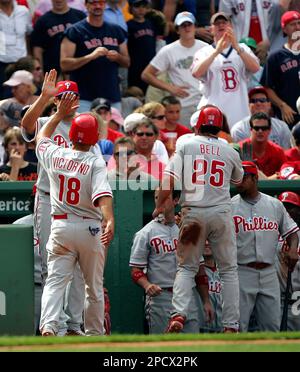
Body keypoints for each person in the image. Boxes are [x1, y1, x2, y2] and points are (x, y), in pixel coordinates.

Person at [21, 70, 100, 335]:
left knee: (78, 269)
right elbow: (26, 127)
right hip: (48, 198)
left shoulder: (86, 125)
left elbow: (98, 170)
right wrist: (43, 98)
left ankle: (74, 324)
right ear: (56, 100)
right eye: (62, 96)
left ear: (78, 99)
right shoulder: (47, 119)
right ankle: (53, 325)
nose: (67, 101)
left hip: (79, 206)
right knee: (49, 267)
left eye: (71, 96)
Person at [153, 105, 244, 333]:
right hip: (221, 212)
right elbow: (238, 180)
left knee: (186, 268)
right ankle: (231, 325)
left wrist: (158, 206)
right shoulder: (230, 150)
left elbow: (168, 181)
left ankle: (178, 315)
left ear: (198, 124)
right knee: (229, 270)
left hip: (193, 211)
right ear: (219, 126)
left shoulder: (186, 143)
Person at [36, 94, 114, 337]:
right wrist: (109, 218)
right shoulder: (95, 162)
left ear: (71, 135)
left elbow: (41, 137)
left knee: (55, 281)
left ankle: (48, 326)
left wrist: (58, 114)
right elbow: (103, 196)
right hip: (89, 227)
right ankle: (93, 333)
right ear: (96, 139)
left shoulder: (56, 154)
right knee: (93, 286)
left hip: (60, 226)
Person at [130, 188, 213, 333]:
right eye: (157, 198)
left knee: (193, 346)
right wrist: (147, 285)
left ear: (176, 200)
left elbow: (200, 271)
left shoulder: (186, 232)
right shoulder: (145, 233)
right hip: (161, 297)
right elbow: (136, 271)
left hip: (188, 296)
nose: (159, 201)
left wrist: (206, 300)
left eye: (164, 197)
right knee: (162, 347)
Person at [231, 161, 299, 332]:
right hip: (242, 271)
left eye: (243, 177)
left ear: (255, 178)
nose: (238, 181)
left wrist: (292, 249)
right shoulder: (229, 207)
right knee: (238, 326)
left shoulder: (274, 205)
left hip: (269, 273)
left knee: (272, 327)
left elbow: (291, 232)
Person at [191, 12, 260, 128]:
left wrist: (237, 47)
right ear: (211, 29)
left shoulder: (243, 48)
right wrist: (216, 52)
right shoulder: (204, 52)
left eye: (224, 22)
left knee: (241, 145)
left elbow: (255, 68)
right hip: (214, 110)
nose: (221, 25)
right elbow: (196, 73)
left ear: (231, 26)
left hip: (239, 110)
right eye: (217, 23)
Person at [60, 0, 130, 113]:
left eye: (101, 3)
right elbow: (64, 65)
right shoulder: (75, 31)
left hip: (111, 96)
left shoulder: (116, 30)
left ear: (105, 5)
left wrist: (118, 57)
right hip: (83, 97)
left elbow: (127, 62)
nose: (97, 6)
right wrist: (91, 56)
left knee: (113, 130)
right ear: (86, 5)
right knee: (84, 129)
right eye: (93, 3)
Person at [142, 11, 208, 126]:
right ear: (177, 30)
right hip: (182, 107)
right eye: (183, 25)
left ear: (195, 27)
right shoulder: (168, 50)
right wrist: (170, 88)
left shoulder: (205, 48)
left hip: (204, 103)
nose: (187, 28)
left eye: (189, 24)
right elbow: (146, 74)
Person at [260, 10, 300, 127]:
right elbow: (267, 87)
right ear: (284, 29)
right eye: (292, 24)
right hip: (289, 116)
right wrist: (282, 105)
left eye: (299, 23)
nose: (297, 27)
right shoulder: (275, 57)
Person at [13, 185, 42, 335]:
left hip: (58, 286)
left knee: (58, 332)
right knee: (28, 331)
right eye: (38, 198)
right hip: (31, 287)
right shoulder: (20, 225)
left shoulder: (61, 225)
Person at [31, 0, 86, 76]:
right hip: (52, 70)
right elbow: (38, 49)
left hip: (78, 68)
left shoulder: (80, 16)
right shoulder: (42, 21)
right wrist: (41, 72)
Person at [276, 191, 300, 331]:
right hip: (275, 298)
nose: (287, 211)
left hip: (297, 300)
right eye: (283, 207)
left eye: (291, 207)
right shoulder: (270, 234)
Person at [0, 0, 33, 99]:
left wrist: (30, 58)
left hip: (22, 64)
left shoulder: (23, 11)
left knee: (26, 98)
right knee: (3, 100)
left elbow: (28, 35)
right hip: (1, 63)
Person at [238, 112, 287, 178]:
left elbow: (284, 174)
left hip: (272, 188)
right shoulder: (240, 149)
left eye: (264, 128)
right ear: (251, 130)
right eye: (256, 128)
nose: (260, 131)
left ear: (269, 130)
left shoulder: (278, 151)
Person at [126, 0, 157, 93]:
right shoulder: (128, 25)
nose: (141, 9)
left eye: (143, 6)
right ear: (131, 8)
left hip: (150, 64)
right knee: (137, 92)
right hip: (135, 66)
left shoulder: (151, 23)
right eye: (137, 6)